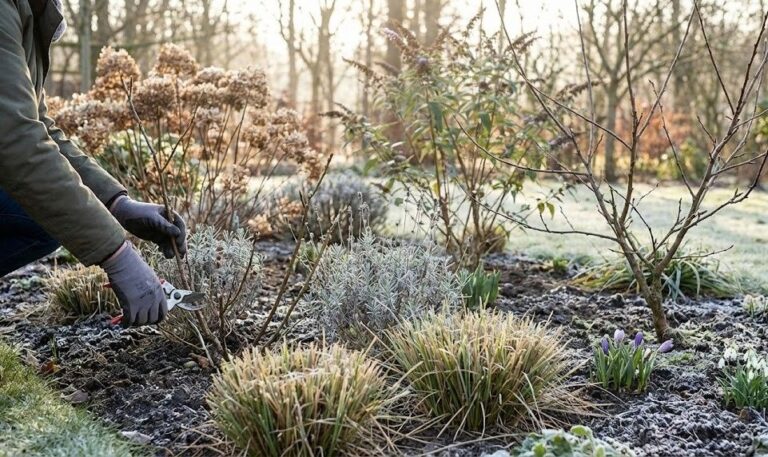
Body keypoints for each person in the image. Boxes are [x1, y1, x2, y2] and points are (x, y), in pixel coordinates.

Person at [0, 0, 186, 326]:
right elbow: (15, 140)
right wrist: (116, 254)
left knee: (40, 217)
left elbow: (37, 125)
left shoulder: (32, 9)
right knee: (36, 211)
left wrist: (116, 202)